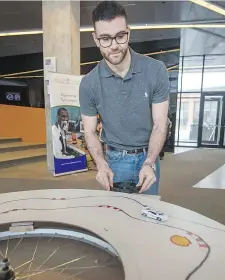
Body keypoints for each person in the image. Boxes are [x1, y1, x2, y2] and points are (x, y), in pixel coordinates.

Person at [79, 1, 169, 195]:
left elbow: (160, 124)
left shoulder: (155, 71)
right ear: (95, 39)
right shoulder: (89, 84)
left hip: (148, 155)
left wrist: (149, 162)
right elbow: (90, 132)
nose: (114, 46)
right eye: (105, 39)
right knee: (117, 219)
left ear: (128, 32)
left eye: (120, 36)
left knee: (147, 216)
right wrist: (101, 164)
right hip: (115, 161)